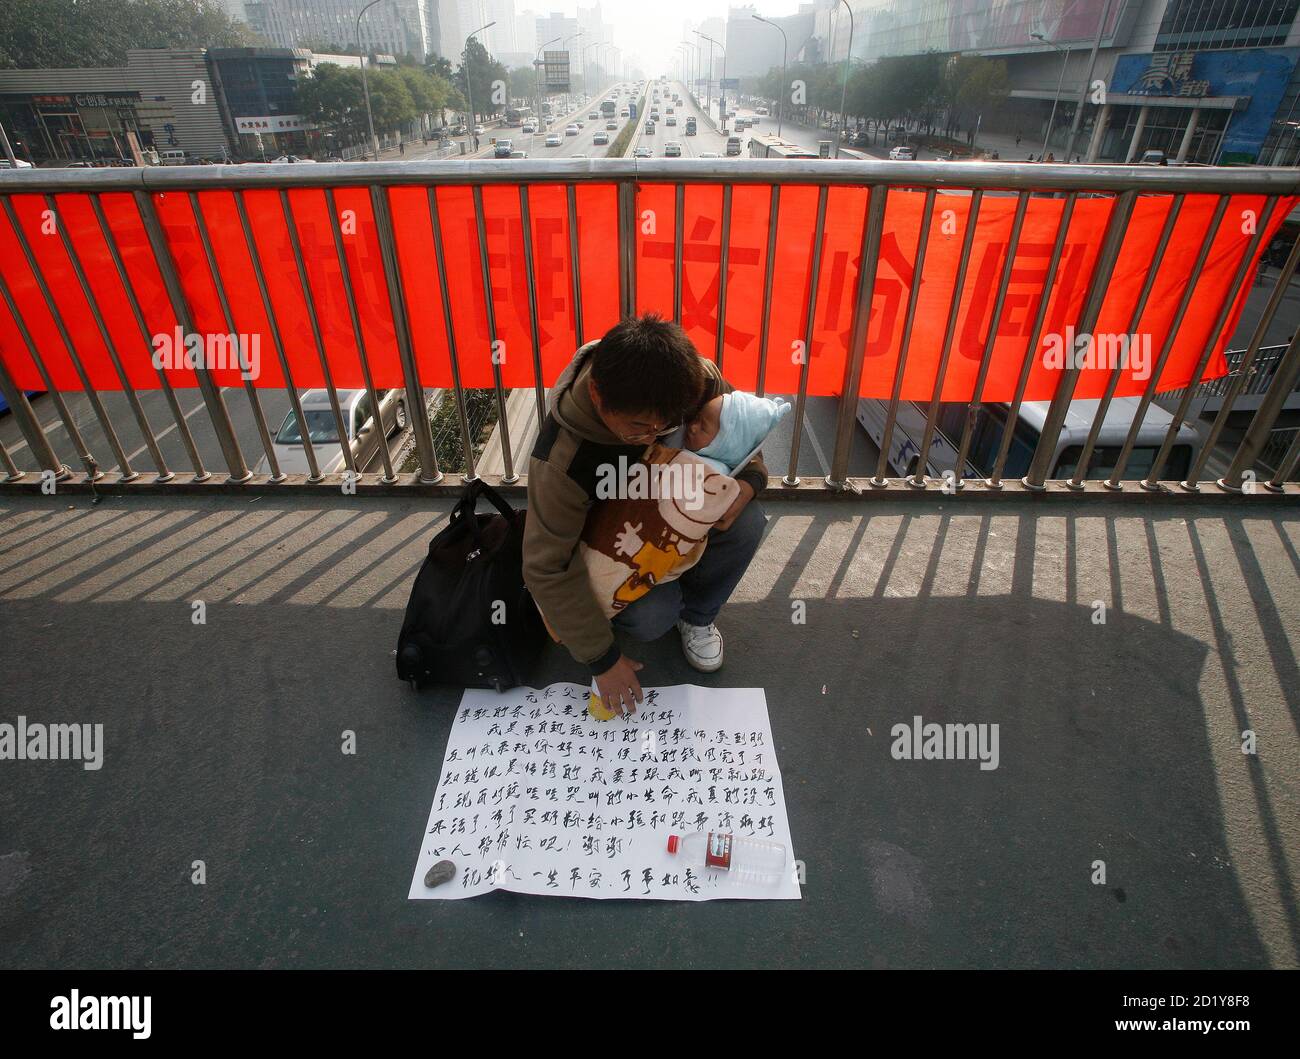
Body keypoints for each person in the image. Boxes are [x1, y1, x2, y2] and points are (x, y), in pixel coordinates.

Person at [524, 316, 768, 717]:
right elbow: (546, 567)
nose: (654, 437)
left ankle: (698, 616)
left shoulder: (694, 382)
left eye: (667, 426)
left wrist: (751, 482)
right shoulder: (562, 461)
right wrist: (602, 661)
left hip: (678, 511)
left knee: (748, 523)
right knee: (653, 616)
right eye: (638, 428)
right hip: (615, 546)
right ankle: (664, 609)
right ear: (598, 394)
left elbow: (741, 432)